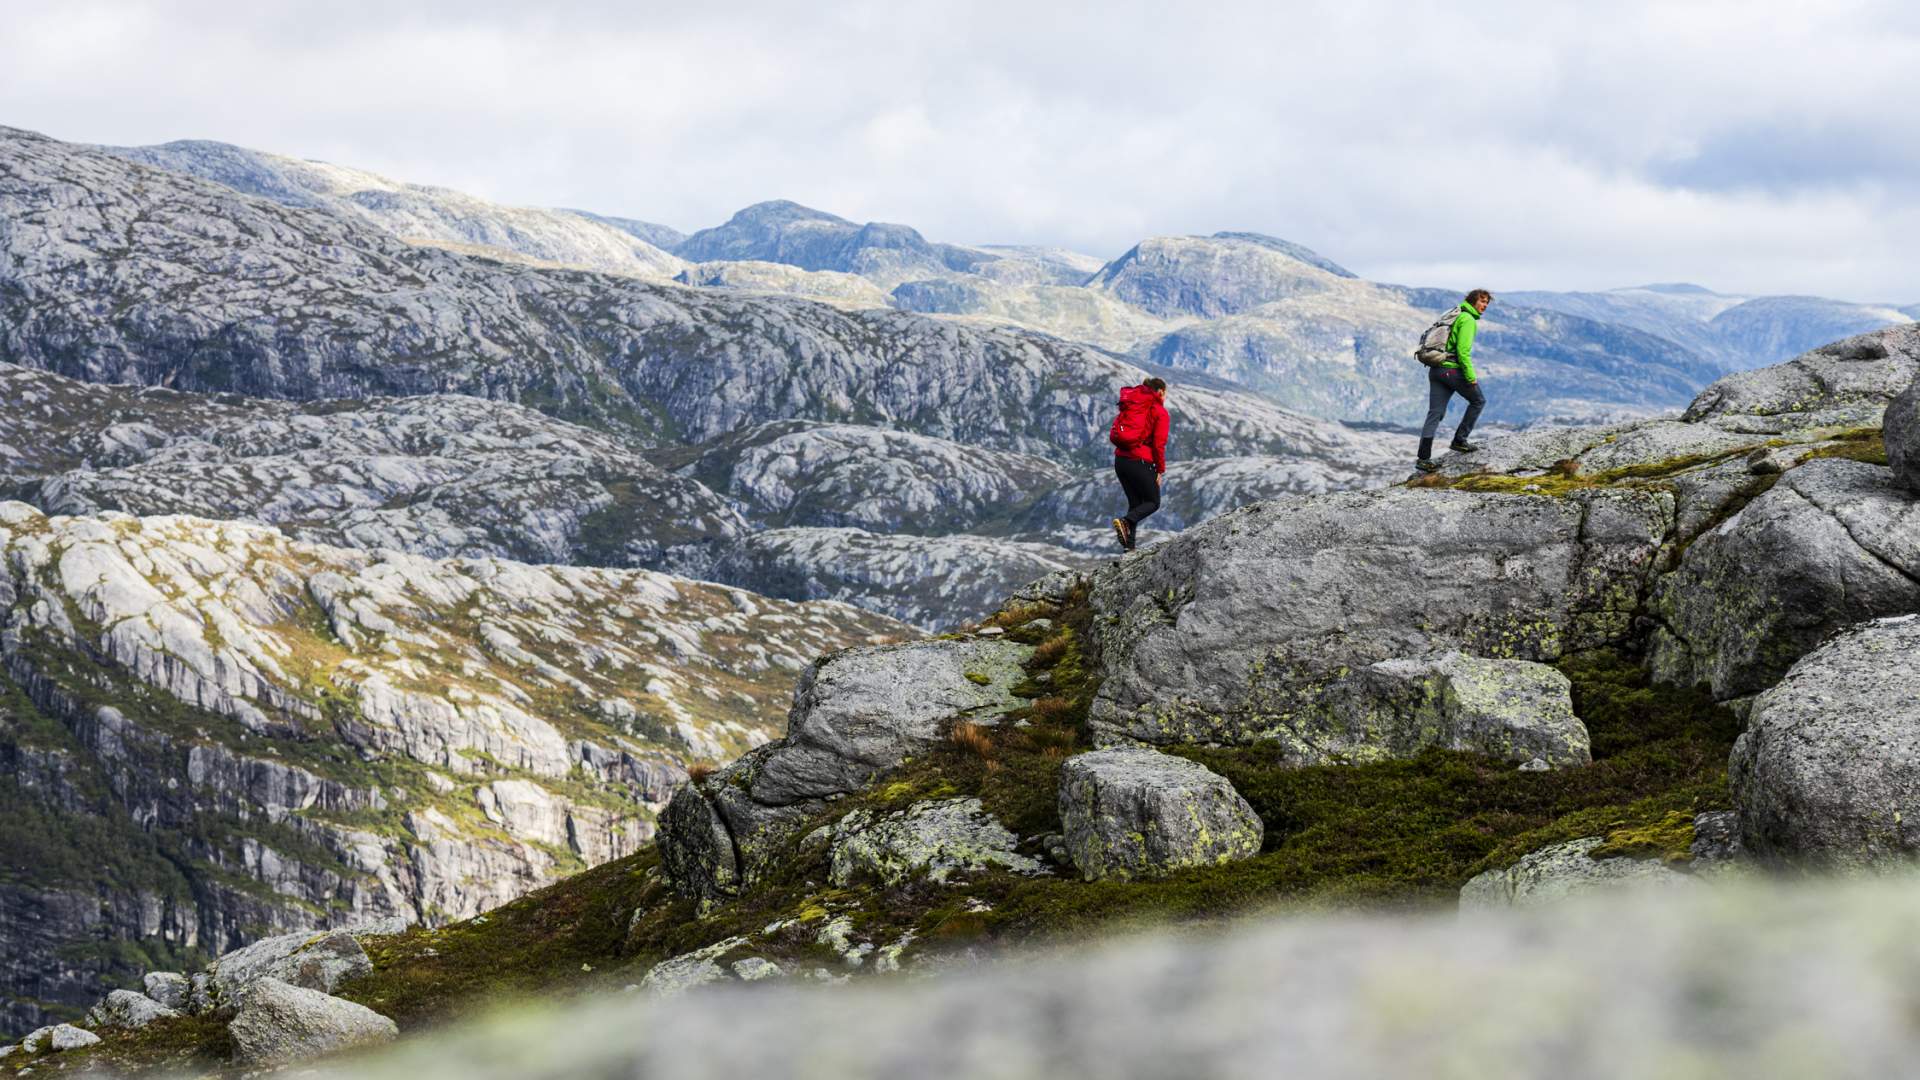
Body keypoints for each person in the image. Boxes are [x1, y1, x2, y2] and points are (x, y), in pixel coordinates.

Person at [1415, 289, 1492, 473]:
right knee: (1478, 401)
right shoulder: (1467, 320)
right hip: (1451, 370)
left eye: (1487, 303)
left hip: (1436, 370)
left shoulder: (1452, 314)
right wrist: (1470, 377)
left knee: (1435, 413)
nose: (1485, 306)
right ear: (1473, 301)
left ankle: (1423, 459)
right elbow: (1463, 351)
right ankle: (1459, 440)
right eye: (1482, 302)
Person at [1110, 377, 1170, 552]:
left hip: (1121, 461)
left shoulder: (1133, 406)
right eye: (1165, 393)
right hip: (1140, 462)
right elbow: (1159, 444)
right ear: (1160, 391)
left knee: (1135, 503)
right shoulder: (1159, 412)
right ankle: (1125, 522)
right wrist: (1160, 470)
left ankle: (1130, 548)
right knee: (1153, 502)